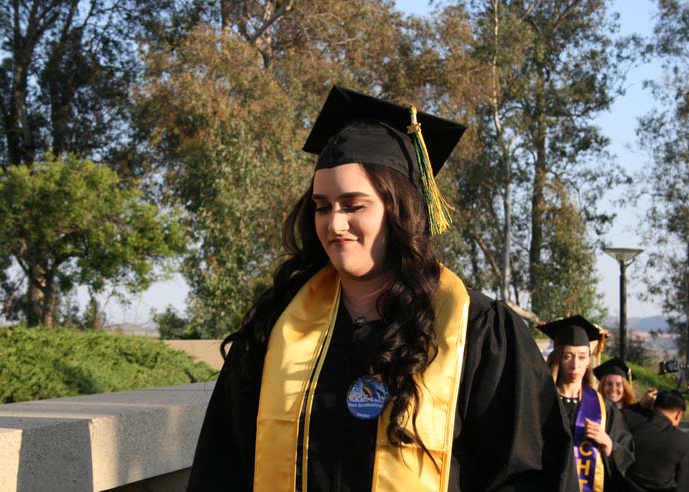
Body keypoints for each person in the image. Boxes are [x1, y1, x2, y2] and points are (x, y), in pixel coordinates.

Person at [187, 85, 578, 492]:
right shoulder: (278, 326)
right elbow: (223, 464)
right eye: (322, 206)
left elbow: (529, 474)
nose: (334, 224)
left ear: (400, 209)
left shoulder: (476, 331)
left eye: (354, 205)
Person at [540, 315, 634, 492]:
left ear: (588, 361)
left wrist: (608, 444)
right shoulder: (540, 403)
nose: (575, 365)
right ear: (557, 358)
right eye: (568, 356)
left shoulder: (604, 408)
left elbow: (628, 458)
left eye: (582, 357)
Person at [622, 390, 689, 492]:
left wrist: (639, 405)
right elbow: (683, 483)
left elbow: (617, 414)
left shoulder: (631, 420)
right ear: (678, 414)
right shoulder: (683, 441)